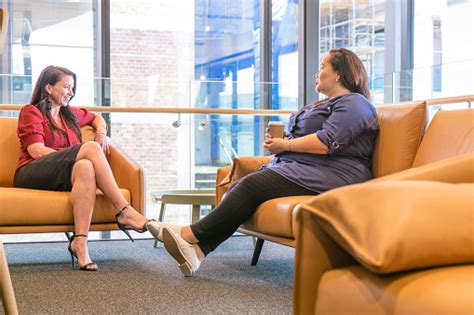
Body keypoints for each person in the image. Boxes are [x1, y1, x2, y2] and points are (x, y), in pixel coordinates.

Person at [148, 48, 379, 277]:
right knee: (239, 185)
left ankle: (189, 234)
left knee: (251, 187)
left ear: (339, 74)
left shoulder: (354, 103)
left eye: (322, 67)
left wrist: (285, 146)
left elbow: (326, 142)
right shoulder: (320, 105)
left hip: (337, 174)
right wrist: (280, 142)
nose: (317, 74)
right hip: (304, 167)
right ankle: (198, 252)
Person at [14, 65, 159, 271]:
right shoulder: (31, 112)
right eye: (66, 87)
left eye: (72, 88)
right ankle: (124, 210)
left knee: (85, 167)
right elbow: (36, 150)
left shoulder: (70, 114)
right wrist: (74, 154)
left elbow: (96, 118)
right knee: (88, 151)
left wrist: (100, 132)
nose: (71, 93)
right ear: (48, 87)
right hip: (32, 171)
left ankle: (80, 242)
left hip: (63, 172)